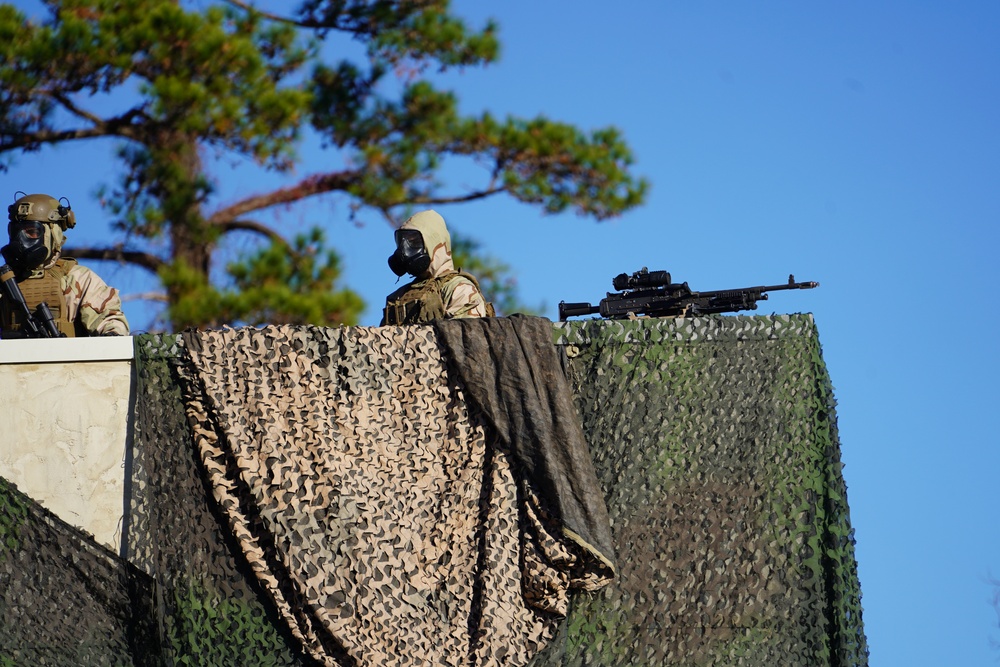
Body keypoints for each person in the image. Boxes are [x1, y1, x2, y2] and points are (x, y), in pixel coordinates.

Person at [0, 192, 129, 338]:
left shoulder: (77, 278)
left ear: (52, 234)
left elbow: (109, 320)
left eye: (31, 232)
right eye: (16, 232)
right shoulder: (5, 282)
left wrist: (111, 334)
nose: (21, 240)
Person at [381, 210, 494, 326]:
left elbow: (466, 338)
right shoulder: (399, 296)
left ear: (433, 242)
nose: (404, 251)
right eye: (401, 242)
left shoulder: (459, 289)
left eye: (414, 242)